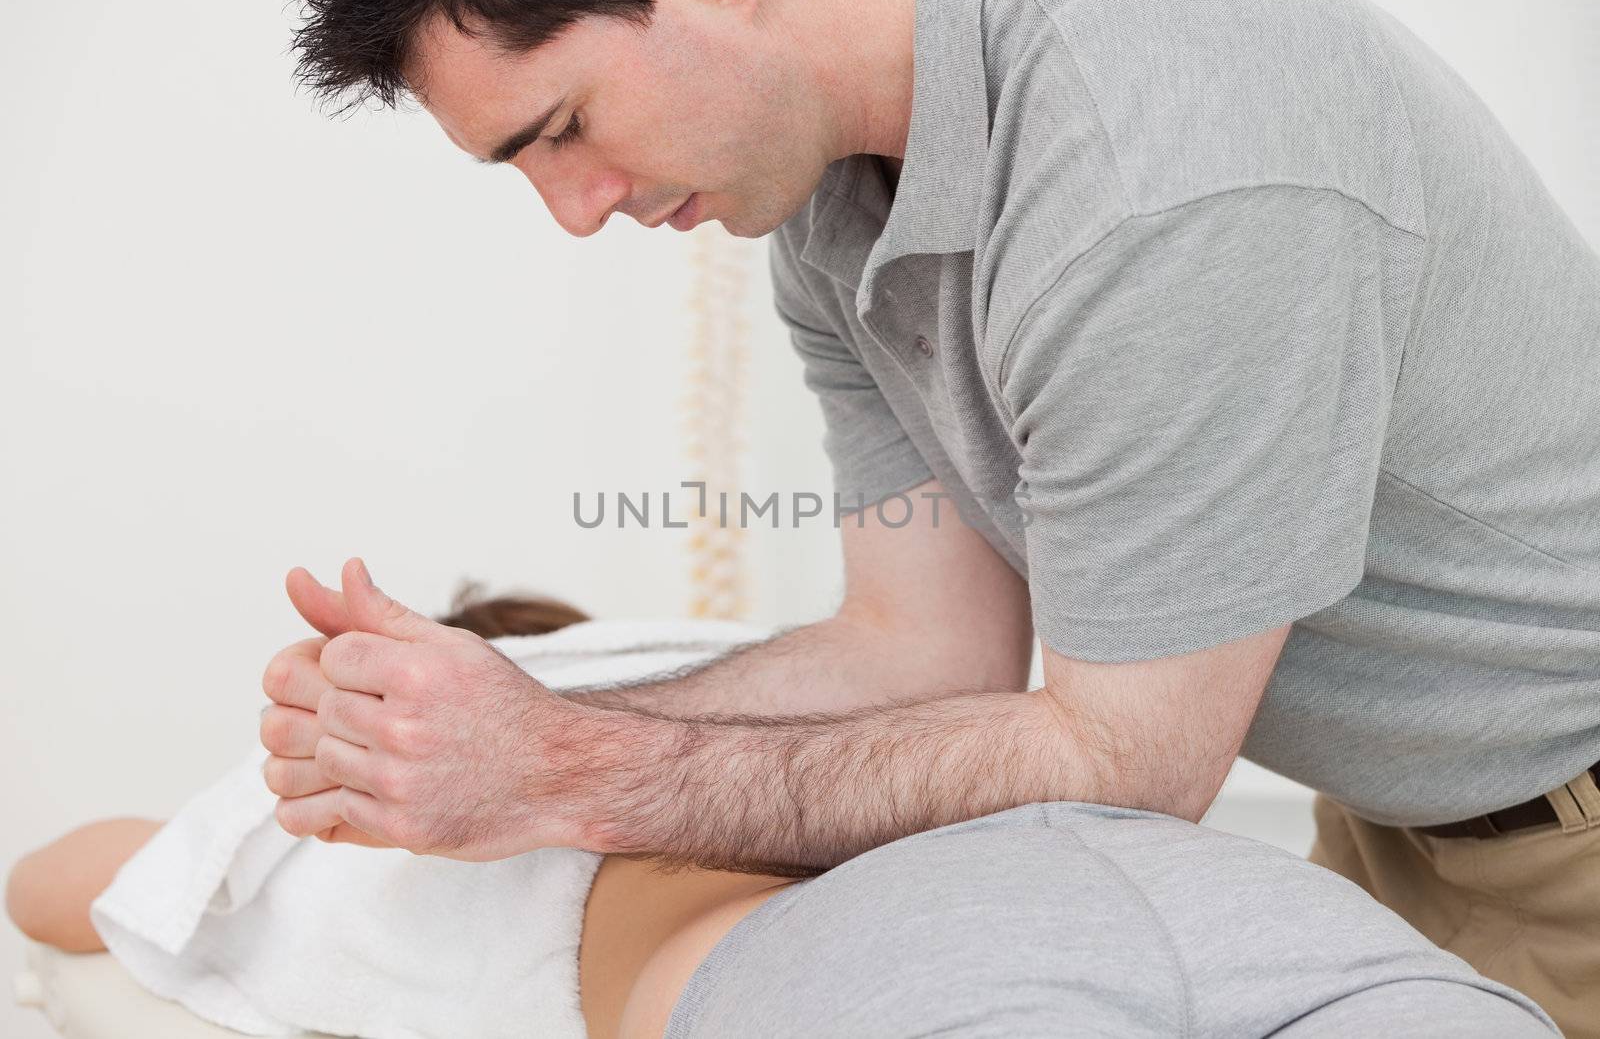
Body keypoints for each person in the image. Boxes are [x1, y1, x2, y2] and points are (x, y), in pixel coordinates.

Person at [268, 0, 1600, 1033]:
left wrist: (561, 773)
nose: (573, 210)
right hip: (1397, 820)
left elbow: (1127, 767)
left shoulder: (1162, 162)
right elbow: (918, 651)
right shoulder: (830, 213)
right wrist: (504, 727)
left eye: (565, 126)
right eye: (522, 165)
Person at [4, 589, 1562, 1038]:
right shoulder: (749, 681)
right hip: (1218, 888)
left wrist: (311, 752)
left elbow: (60, 885)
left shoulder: (365, 821)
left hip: (891, 967)